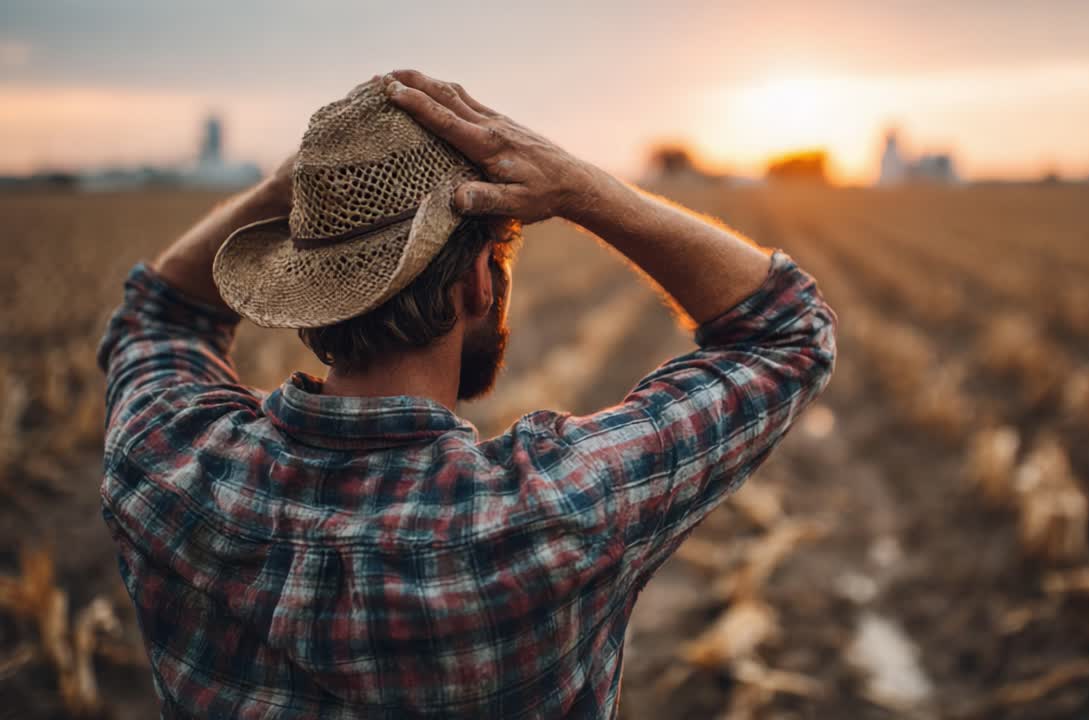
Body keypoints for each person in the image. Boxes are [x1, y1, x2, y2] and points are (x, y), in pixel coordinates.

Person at [97, 70, 836, 718]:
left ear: (306, 286)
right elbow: (787, 330)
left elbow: (157, 313)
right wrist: (583, 188)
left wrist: (297, 187)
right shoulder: (556, 513)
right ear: (481, 277)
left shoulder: (170, 467)